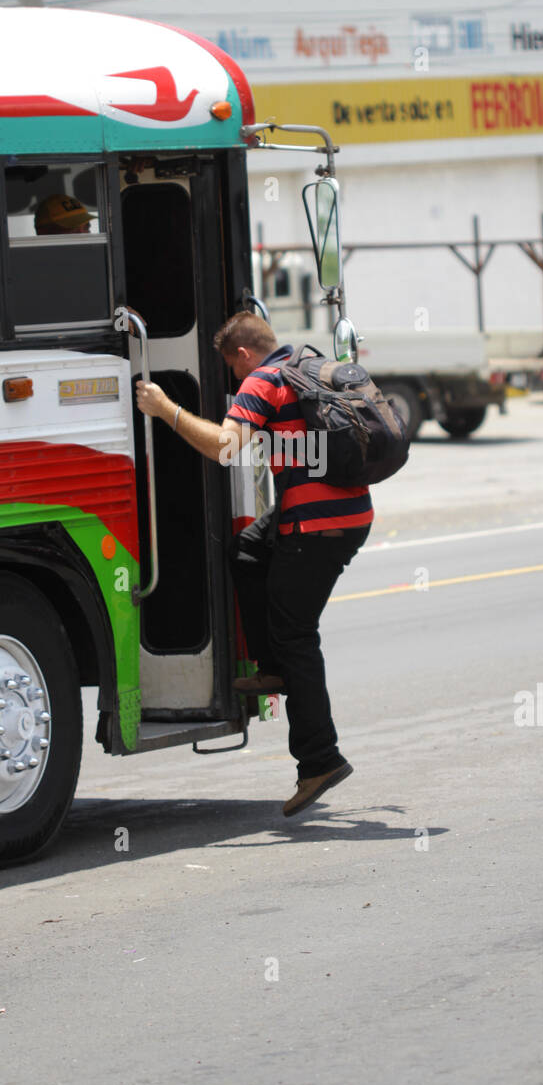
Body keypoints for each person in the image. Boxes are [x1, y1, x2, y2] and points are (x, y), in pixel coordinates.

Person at [134, 310, 373, 817]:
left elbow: (224, 448)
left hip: (315, 526)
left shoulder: (262, 381)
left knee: (297, 636)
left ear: (244, 354)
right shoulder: (307, 362)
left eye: (232, 369)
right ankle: (270, 669)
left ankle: (319, 760)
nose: (234, 380)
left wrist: (165, 409)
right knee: (247, 549)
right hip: (347, 512)